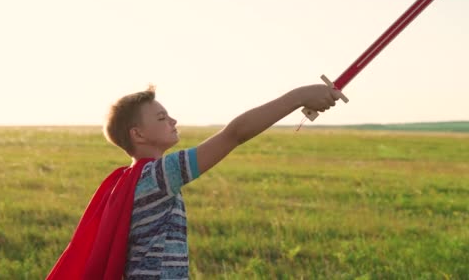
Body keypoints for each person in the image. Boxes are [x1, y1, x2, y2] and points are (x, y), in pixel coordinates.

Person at [48, 83, 341, 279]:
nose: (173, 120)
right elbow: (234, 134)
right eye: (162, 117)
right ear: (138, 134)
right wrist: (298, 97)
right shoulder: (158, 176)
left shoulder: (130, 179)